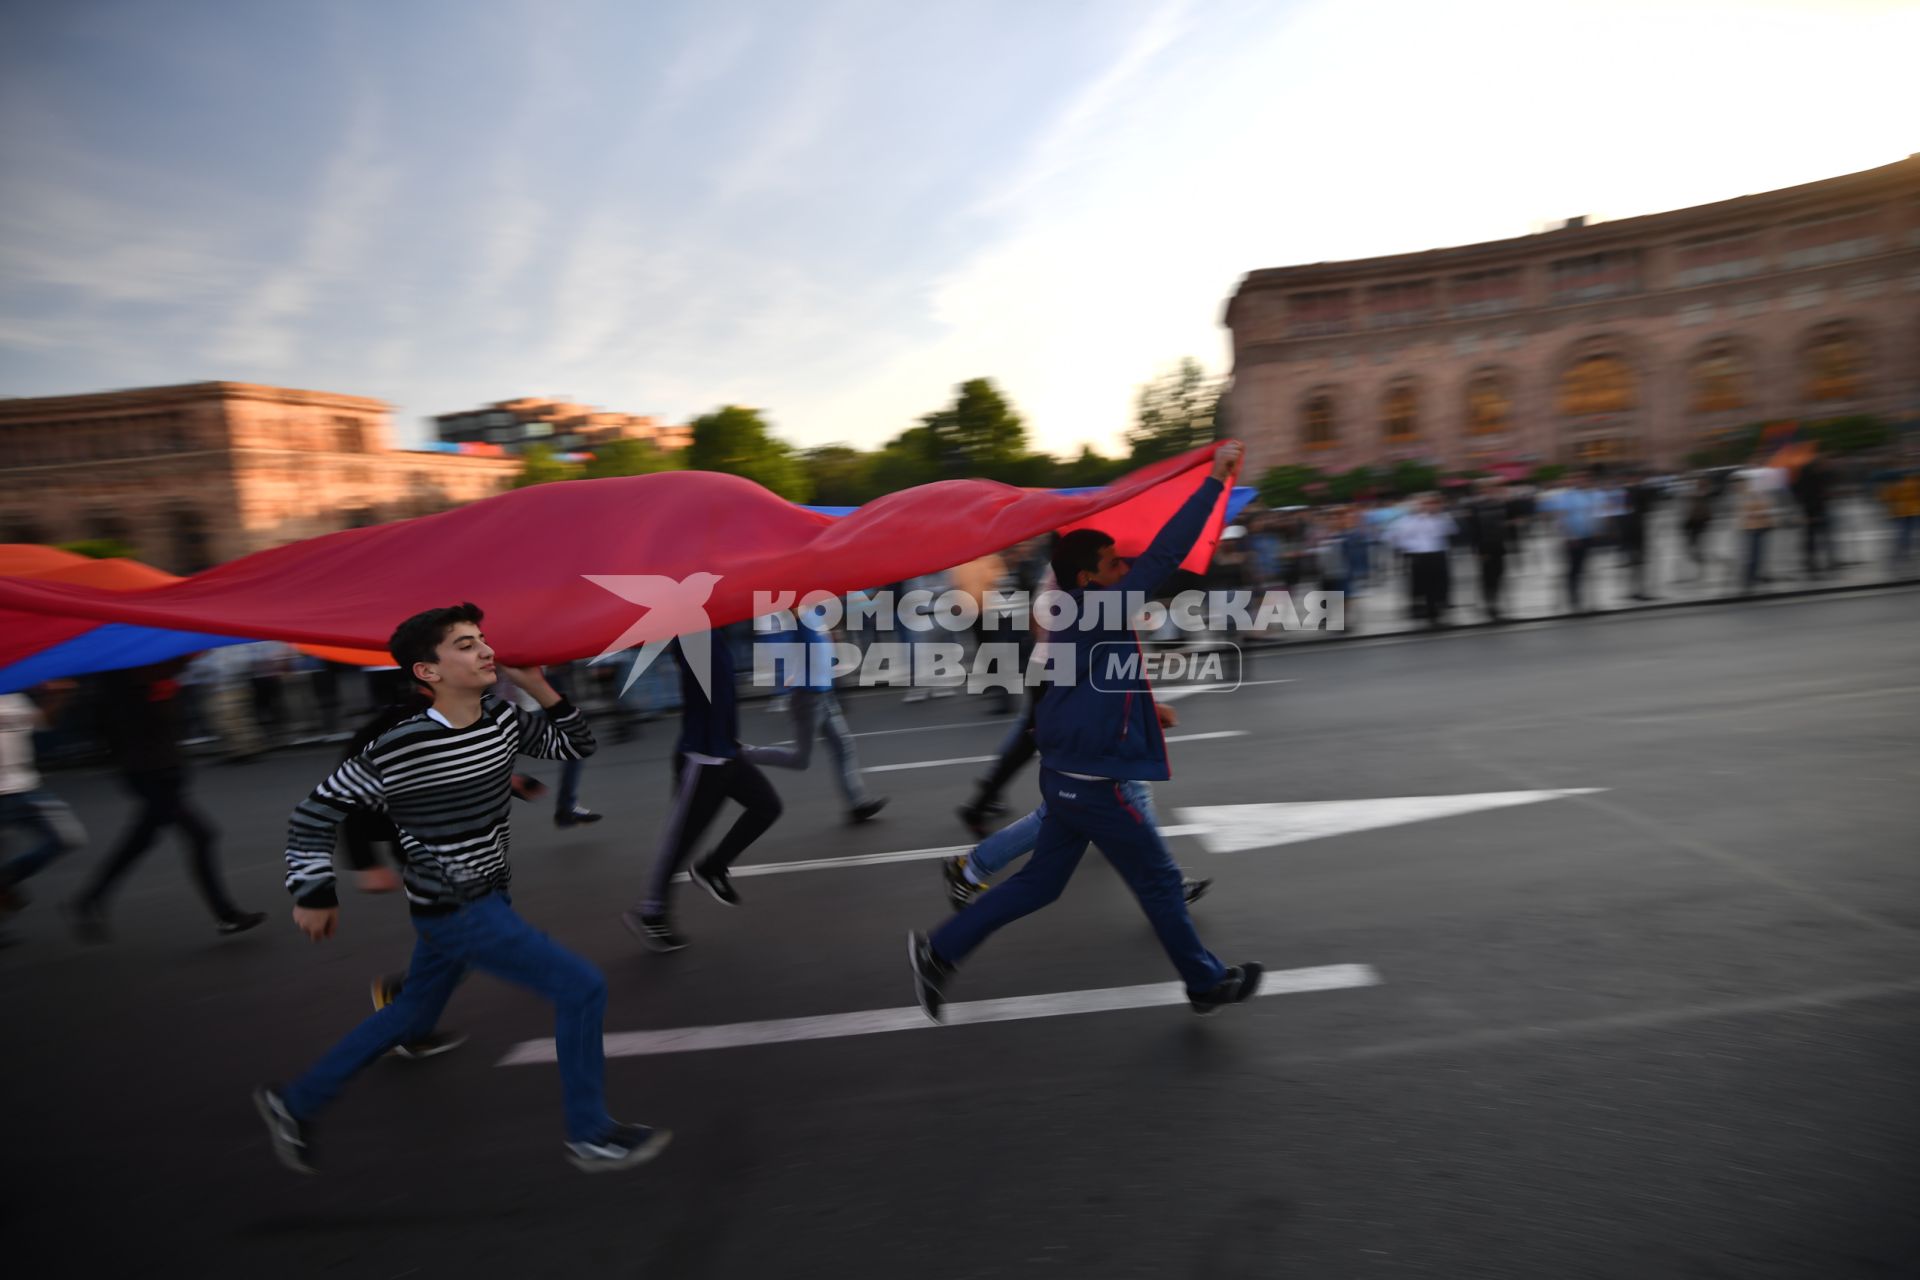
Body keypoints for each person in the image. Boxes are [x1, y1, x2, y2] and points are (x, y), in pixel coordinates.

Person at [254, 603, 666, 1174]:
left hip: (486, 896)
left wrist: (540, 687)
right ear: (429, 671)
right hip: (457, 908)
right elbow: (313, 815)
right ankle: (590, 1134)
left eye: (482, 640)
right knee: (581, 988)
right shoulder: (401, 745)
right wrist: (314, 893)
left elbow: (576, 746)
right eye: (466, 645)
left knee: (410, 1012)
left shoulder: (498, 717)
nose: (485, 651)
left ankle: (295, 1103)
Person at [909, 443, 1262, 1022]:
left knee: (1041, 886)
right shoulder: (1096, 609)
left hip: (1067, 775)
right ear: (1087, 576)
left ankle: (939, 950)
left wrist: (1151, 711)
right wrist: (1213, 483)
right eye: (1113, 562)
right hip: (1098, 784)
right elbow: (1167, 553)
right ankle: (1204, 982)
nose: (1124, 567)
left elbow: (1102, 684)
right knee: (1159, 882)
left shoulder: (1073, 611)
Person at [943, 697, 1211, 910]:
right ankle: (1168, 887)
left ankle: (971, 867)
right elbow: (1091, 678)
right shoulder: (1083, 634)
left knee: (1113, 799)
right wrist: (1147, 710)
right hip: (1081, 730)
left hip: (1080, 727)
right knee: (1063, 816)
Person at [67, 659, 265, 940]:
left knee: (140, 841)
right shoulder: (122, 682)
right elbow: (124, 727)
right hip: (148, 774)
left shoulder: (153, 675)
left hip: (166, 771)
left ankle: (89, 899)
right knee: (201, 835)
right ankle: (225, 914)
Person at [623, 627, 783, 952]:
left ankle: (712, 867)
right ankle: (650, 912)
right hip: (701, 758)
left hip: (727, 751)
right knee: (679, 840)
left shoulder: (717, 630)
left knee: (767, 807)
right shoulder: (691, 633)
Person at [742, 603, 887, 824]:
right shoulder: (794, 621)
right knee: (801, 759)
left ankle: (857, 804)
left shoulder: (813, 614)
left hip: (824, 695)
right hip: (808, 697)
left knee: (843, 747)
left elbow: (823, 646)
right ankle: (743, 754)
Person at [0, 683, 86, 925]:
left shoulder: (13, 693)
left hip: (25, 787)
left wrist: (58, 698)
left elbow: (40, 722)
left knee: (67, 837)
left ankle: (4, 882)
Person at [1388, 493, 1455, 628]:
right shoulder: (1408, 520)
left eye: (1433, 503)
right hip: (1419, 555)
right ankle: (1427, 612)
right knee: (1424, 584)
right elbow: (1393, 537)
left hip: (1438, 553)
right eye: (1426, 503)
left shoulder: (1442, 517)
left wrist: (1440, 517)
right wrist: (1409, 547)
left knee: (1440, 583)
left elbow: (1452, 530)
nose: (1430, 506)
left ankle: (1437, 610)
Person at [1542, 471, 1604, 614]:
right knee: (1574, 570)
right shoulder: (1566, 496)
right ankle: (1574, 601)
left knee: (1588, 569)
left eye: (1584, 479)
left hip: (1588, 536)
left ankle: (1591, 601)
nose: (1581, 481)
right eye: (1578, 479)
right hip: (1573, 538)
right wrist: (1570, 535)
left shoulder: (1590, 494)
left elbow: (1594, 514)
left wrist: (1597, 530)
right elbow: (1561, 518)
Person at [1460, 481, 1510, 622]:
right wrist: (1477, 549)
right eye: (1486, 489)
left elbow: (1507, 522)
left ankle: (1494, 602)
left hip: (1498, 545)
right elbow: (1472, 530)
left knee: (1499, 574)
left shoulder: (1500, 504)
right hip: (1484, 546)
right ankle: (1489, 604)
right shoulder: (1474, 507)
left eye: (1492, 488)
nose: (1490, 491)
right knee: (1487, 576)